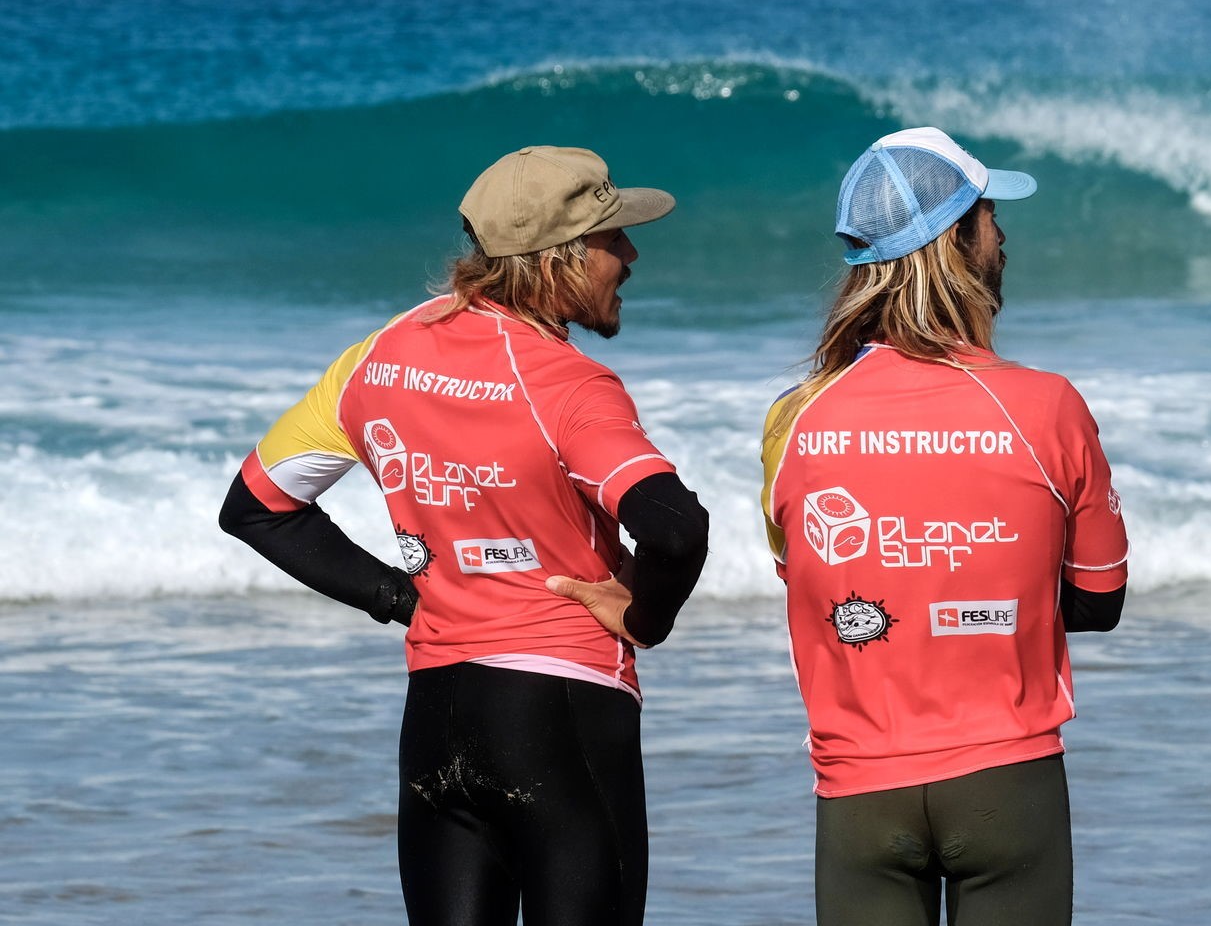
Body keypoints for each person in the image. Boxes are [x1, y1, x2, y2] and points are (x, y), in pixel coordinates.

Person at [219, 145, 709, 926]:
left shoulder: (377, 357)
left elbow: (255, 507)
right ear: (561, 259)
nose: (631, 254)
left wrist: (399, 597)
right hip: (562, 712)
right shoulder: (568, 385)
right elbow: (677, 529)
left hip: (438, 718)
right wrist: (644, 617)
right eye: (614, 239)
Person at [759, 126, 1130, 926]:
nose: (1004, 239)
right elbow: (1100, 600)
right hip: (1008, 781)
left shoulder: (794, 419)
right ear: (956, 239)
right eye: (991, 217)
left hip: (858, 790)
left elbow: (813, 585)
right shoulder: (1048, 404)